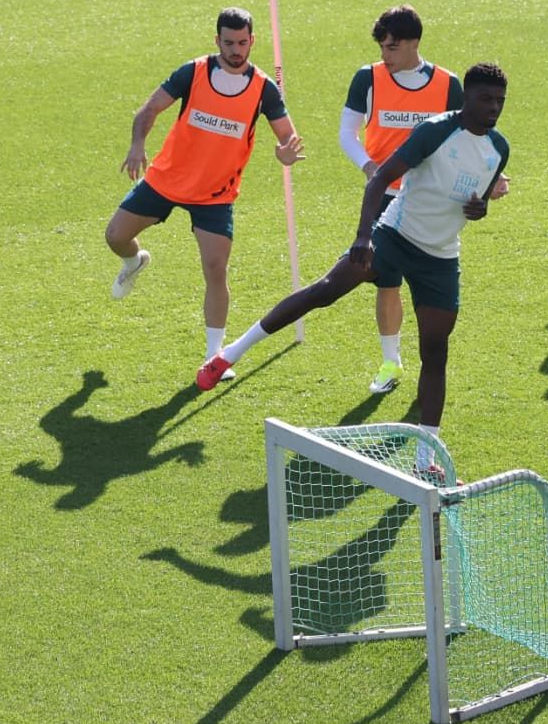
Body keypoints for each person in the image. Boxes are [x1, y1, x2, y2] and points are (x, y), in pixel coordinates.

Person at [197, 64, 512, 476]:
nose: (493, 108)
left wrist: (480, 208)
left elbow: (478, 201)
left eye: (499, 101)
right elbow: (380, 178)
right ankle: (228, 354)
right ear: (467, 97)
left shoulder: (499, 148)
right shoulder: (435, 131)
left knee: (436, 353)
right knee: (324, 291)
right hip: (394, 237)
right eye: (486, 99)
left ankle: (424, 459)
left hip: (440, 257)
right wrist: (364, 237)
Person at [106, 7, 305, 371]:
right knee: (115, 236)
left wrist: (285, 154)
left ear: (252, 41)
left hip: (216, 194)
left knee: (215, 269)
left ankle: (215, 356)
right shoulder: (193, 72)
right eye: (229, 42)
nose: (236, 50)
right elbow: (148, 109)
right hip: (166, 180)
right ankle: (133, 262)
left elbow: (287, 137)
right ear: (217, 41)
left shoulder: (264, 89)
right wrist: (137, 145)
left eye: (243, 42)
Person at [339, 5, 464, 395]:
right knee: (385, 282)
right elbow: (347, 133)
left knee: (430, 287)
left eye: (392, 48)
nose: (385, 56)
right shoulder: (368, 78)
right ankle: (390, 361)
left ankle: (433, 364)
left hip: (431, 202)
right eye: (381, 47)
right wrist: (371, 170)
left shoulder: (448, 84)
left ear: (413, 43)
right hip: (384, 199)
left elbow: (462, 141)